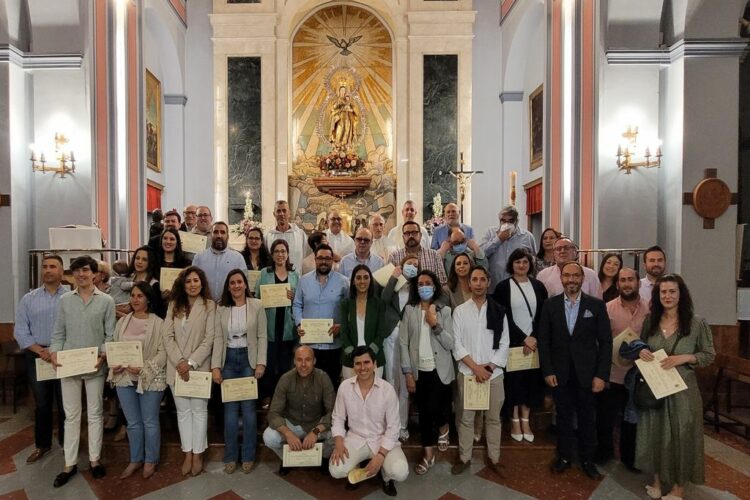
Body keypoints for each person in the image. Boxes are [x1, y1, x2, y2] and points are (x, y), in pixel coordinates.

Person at [635, 274, 715, 500]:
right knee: (655, 433)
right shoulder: (650, 321)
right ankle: (658, 482)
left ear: (681, 295)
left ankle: (679, 487)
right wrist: (641, 351)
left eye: (672, 292)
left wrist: (685, 357)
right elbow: (641, 346)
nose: (667, 296)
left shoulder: (697, 323)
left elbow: (708, 355)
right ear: (657, 295)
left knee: (681, 436)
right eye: (663, 292)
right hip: (656, 388)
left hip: (683, 392)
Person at [537, 261, 612, 480]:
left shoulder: (596, 306)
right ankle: (564, 456)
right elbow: (544, 341)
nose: (571, 279)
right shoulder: (550, 306)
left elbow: (605, 342)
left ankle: (587, 459)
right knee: (563, 417)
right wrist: (547, 370)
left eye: (575, 276)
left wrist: (601, 375)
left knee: (588, 418)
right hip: (559, 374)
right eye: (567, 275)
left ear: (583, 278)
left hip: (588, 375)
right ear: (561, 279)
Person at [49, 256, 116, 487]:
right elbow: (58, 333)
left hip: (94, 364)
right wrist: (55, 353)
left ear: (94, 274)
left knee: (96, 413)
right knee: (71, 416)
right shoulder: (65, 301)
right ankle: (69, 464)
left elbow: (110, 335)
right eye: (77, 271)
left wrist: (103, 355)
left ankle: (95, 460)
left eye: (85, 270)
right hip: (68, 364)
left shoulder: (106, 301)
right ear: (72, 275)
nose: (81, 275)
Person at [451, 265, 509, 477]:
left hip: (494, 375)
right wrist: (476, 368)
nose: (477, 283)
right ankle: (464, 458)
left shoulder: (499, 310)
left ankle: (494, 458)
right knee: (466, 419)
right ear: (469, 283)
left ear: (488, 282)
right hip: (468, 374)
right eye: (474, 280)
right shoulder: (460, 311)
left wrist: (490, 367)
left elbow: (504, 343)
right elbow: (457, 345)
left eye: (482, 279)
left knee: (493, 419)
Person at [329, 346, 409, 497]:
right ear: (353, 366)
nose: (362, 367)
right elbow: (338, 418)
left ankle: (385, 477)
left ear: (375, 364)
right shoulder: (345, 387)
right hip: (355, 439)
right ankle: (357, 470)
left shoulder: (387, 390)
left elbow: (393, 428)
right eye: (358, 363)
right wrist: (339, 442)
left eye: (366, 362)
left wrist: (380, 456)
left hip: (381, 440)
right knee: (336, 470)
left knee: (400, 472)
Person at [108, 282, 166, 480]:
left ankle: (151, 459)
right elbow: (114, 345)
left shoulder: (158, 322)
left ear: (148, 299)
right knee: (132, 423)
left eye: (140, 296)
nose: (135, 299)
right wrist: (113, 363)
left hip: (150, 377)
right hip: (124, 376)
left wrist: (145, 368)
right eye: (132, 295)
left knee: (149, 421)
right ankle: (135, 459)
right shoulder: (122, 322)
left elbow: (163, 352)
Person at [162, 266, 216, 477]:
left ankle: (199, 453)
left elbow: (209, 338)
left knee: (199, 412)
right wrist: (180, 361)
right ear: (182, 285)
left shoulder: (210, 306)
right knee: (183, 413)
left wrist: (191, 362)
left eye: (196, 280)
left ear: (202, 283)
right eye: (188, 281)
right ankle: (188, 453)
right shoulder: (174, 305)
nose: (193, 284)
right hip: (176, 368)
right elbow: (167, 336)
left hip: (199, 368)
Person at [212, 269, 267, 474]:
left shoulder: (257, 305)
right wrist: (215, 366)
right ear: (228, 286)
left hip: (248, 360)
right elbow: (218, 338)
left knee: (249, 411)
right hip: (228, 359)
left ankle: (248, 455)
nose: (236, 286)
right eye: (232, 282)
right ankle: (230, 456)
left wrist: (260, 363)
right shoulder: (221, 309)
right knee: (230, 412)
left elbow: (262, 336)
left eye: (239, 282)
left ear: (245, 284)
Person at [399, 269, 454, 474]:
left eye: (428, 283)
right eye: (420, 284)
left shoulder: (445, 311)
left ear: (435, 285)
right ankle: (428, 454)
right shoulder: (410, 310)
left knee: (441, 407)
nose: (424, 287)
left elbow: (450, 344)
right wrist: (407, 372)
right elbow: (403, 343)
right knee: (425, 413)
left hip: (441, 368)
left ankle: (444, 427)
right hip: (418, 370)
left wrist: (435, 324)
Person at [13, 254, 67, 464]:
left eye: (53, 266)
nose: (48, 270)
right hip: (37, 357)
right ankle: (42, 445)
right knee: (42, 404)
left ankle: (66, 445)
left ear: (62, 271)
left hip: (63, 355)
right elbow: (20, 330)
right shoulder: (29, 299)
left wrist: (55, 350)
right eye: (44, 266)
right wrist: (41, 351)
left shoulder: (71, 297)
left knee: (65, 404)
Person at [492, 248, 548, 442]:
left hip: (534, 343)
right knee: (514, 382)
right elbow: (502, 316)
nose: (521, 265)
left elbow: (543, 314)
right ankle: (514, 418)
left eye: (525, 262)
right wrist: (523, 337)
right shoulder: (502, 287)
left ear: (530, 264)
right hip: (513, 343)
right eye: (517, 262)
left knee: (531, 382)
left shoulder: (539, 286)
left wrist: (533, 337)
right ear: (511, 265)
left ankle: (526, 419)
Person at [597, 267, 649, 470]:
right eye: (623, 280)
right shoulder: (607, 308)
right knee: (606, 418)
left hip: (639, 375)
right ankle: (604, 451)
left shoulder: (650, 309)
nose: (627, 284)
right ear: (617, 284)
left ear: (638, 283)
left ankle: (630, 457)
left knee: (633, 419)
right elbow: (601, 341)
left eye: (631, 280)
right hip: (613, 373)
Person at [263, 345, 336, 475]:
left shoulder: (323, 377)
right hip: (293, 424)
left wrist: (316, 431)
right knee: (269, 436)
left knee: (338, 435)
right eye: (299, 360)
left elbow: (334, 412)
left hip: (316, 423)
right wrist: (288, 433)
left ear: (314, 361)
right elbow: (273, 413)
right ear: (294, 361)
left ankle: (322, 457)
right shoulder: (286, 379)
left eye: (307, 360)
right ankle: (287, 458)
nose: (303, 364)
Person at [293, 244, 349, 388]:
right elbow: (297, 304)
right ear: (315, 259)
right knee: (308, 387)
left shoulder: (344, 282)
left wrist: (342, 326)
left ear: (333, 260)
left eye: (327, 258)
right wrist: (299, 323)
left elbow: (349, 310)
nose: (324, 261)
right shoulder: (303, 281)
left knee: (330, 387)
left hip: (333, 346)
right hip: (309, 345)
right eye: (320, 258)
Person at [381, 255, 420, 441]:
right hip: (389, 336)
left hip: (408, 339)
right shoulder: (393, 282)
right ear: (402, 265)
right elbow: (384, 299)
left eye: (415, 265)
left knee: (405, 384)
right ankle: (390, 425)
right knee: (390, 381)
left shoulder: (417, 288)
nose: (412, 267)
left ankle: (402, 425)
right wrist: (394, 277)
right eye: (409, 264)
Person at [255, 239, 298, 407]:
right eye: (277, 251)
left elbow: (300, 301)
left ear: (287, 254)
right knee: (270, 363)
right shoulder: (264, 273)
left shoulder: (295, 274)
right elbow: (257, 299)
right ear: (272, 255)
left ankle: (284, 398)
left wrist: (294, 298)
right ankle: (267, 396)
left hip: (288, 326)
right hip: (269, 325)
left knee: (285, 364)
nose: (280, 254)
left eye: (283, 251)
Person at [340, 265, 386, 379]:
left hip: (374, 358)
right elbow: (343, 333)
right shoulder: (345, 304)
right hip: (351, 359)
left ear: (370, 280)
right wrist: (353, 355)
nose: (362, 281)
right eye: (358, 278)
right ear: (353, 281)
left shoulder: (378, 304)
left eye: (366, 277)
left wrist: (369, 354)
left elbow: (381, 333)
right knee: (351, 395)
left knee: (374, 395)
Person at [479, 206, 537, 287]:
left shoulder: (527, 237)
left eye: (510, 221)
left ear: (517, 221)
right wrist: (498, 239)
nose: (506, 224)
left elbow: (534, 262)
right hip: (494, 285)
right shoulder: (490, 233)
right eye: (503, 220)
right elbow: (481, 254)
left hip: (519, 286)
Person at [192, 222, 247, 302]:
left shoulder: (238, 258)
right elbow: (193, 283)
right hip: (204, 305)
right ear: (211, 235)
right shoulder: (199, 258)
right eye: (215, 232)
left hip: (229, 306)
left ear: (227, 236)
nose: (219, 235)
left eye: (223, 232)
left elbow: (243, 285)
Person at [537, 237, 603, 298]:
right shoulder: (543, 275)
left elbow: (597, 303)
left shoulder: (590, 274)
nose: (562, 251)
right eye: (558, 249)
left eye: (566, 248)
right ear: (553, 254)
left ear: (575, 252)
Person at [111, 246, 164, 319]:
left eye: (144, 259)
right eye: (137, 258)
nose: (139, 262)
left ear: (150, 262)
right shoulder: (125, 279)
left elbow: (155, 313)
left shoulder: (153, 284)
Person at [389, 221, 447, 285]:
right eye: (407, 233)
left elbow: (442, 282)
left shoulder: (434, 255)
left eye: (414, 233)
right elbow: (390, 283)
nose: (411, 236)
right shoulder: (394, 257)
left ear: (420, 235)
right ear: (403, 237)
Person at [265, 200, 308, 273]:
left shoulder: (300, 234)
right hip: (274, 279)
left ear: (289, 213)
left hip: (295, 278)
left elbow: (306, 255)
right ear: (274, 214)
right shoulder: (268, 236)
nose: (282, 214)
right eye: (278, 211)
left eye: (284, 211)